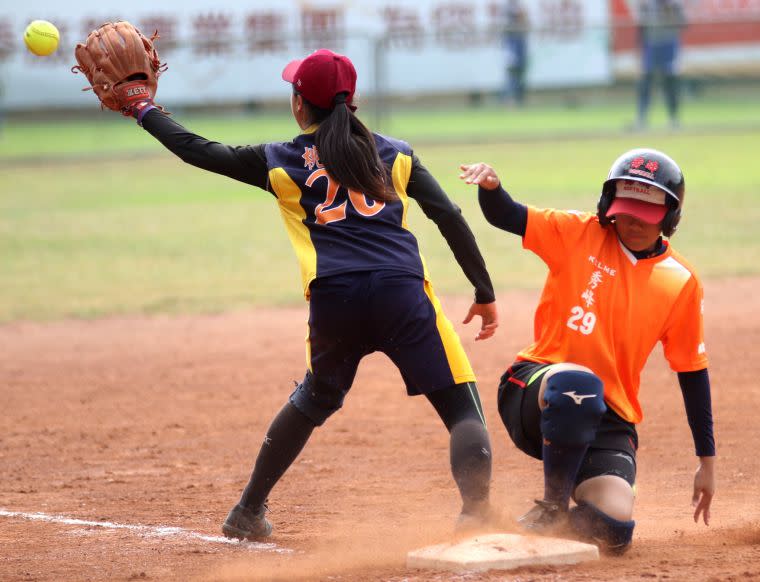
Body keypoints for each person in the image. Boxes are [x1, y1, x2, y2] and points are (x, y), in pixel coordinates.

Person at [120, 49, 499, 539]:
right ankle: (475, 515)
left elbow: (198, 149)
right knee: (461, 407)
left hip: (334, 298)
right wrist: (483, 289)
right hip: (401, 293)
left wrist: (144, 110)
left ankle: (247, 511)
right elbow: (448, 215)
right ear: (352, 99)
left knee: (315, 397)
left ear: (301, 105)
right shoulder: (396, 153)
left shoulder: (278, 160)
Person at [459, 148, 715, 554]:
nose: (630, 221)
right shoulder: (579, 233)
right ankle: (553, 508)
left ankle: (520, 528)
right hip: (537, 387)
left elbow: (691, 370)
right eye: (624, 209)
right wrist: (491, 188)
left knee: (614, 528)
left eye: (645, 214)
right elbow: (507, 214)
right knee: (579, 383)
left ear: (669, 216)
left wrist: (707, 461)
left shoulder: (681, 281)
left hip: (610, 417)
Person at [636, 0, 687, 129]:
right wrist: (639, 51)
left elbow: (684, 23)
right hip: (651, 46)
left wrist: (670, 13)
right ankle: (642, 118)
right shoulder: (647, 5)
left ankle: (673, 118)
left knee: (669, 83)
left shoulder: (674, 5)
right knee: (646, 82)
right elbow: (641, 28)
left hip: (669, 45)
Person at [502, 0, 529, 107]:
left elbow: (525, 18)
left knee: (520, 72)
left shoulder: (517, 6)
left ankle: (518, 98)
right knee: (512, 72)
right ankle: (509, 99)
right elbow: (521, 15)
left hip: (519, 44)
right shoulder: (510, 7)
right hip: (512, 45)